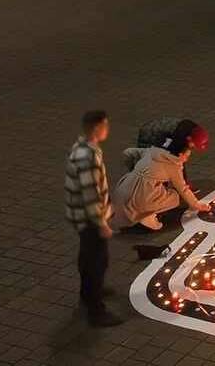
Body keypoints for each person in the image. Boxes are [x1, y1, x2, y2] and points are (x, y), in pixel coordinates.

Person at [65, 110, 122, 327]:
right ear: (98, 128)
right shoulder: (87, 157)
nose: (108, 129)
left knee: (89, 257)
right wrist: (101, 224)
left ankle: (88, 292)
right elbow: (90, 195)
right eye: (106, 125)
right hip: (89, 219)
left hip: (82, 216)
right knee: (97, 262)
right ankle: (96, 310)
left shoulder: (83, 149)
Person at [112, 131, 211, 231]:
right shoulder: (173, 166)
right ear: (179, 154)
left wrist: (134, 169)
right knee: (175, 197)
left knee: (154, 190)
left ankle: (136, 211)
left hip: (122, 190)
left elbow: (127, 152)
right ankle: (146, 215)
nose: (186, 159)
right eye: (186, 156)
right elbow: (183, 189)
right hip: (141, 197)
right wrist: (197, 205)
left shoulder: (152, 152)